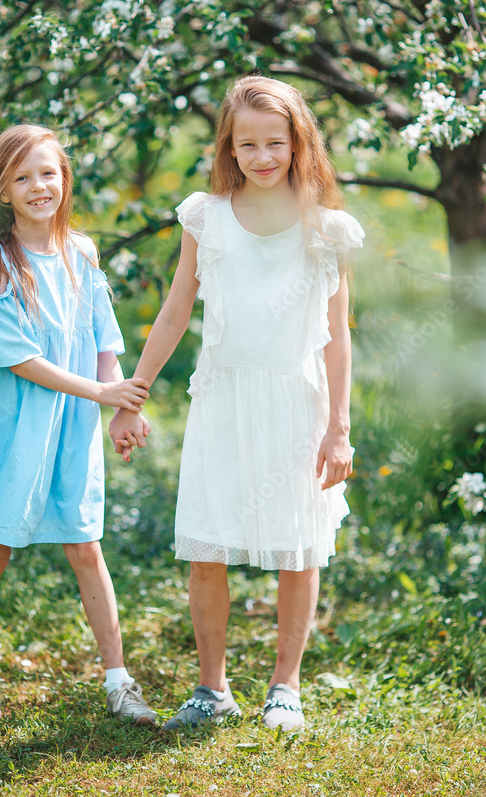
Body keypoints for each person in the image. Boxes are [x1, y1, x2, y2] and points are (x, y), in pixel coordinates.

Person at [110, 75, 365, 732]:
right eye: (245, 143)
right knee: (207, 546)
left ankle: (285, 687)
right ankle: (211, 688)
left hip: (294, 403)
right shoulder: (207, 215)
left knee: (299, 547)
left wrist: (338, 430)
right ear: (227, 146)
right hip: (222, 398)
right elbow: (172, 312)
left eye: (273, 142)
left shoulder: (327, 229)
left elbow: (338, 340)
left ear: (296, 142)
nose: (260, 156)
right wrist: (131, 395)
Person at [0, 123, 156, 725]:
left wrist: (122, 403)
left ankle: (119, 680)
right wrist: (101, 392)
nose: (38, 186)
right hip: (13, 424)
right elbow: (17, 357)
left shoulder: (83, 253)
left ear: (64, 177)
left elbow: (103, 337)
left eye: (48, 172)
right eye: (22, 177)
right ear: (2, 191)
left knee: (85, 545)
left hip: (71, 424)